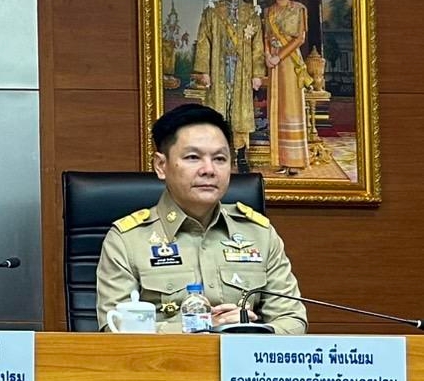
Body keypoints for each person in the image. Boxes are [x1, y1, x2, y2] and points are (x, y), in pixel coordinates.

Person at [96, 102, 307, 333]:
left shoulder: (259, 234)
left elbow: (292, 320)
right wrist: (203, 327)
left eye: (220, 159)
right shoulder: (127, 240)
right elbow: (115, 329)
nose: (209, 169)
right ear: (161, 166)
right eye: (193, 157)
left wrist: (250, 331)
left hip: (243, 356)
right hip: (165, 358)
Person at [191, 0, 265, 172]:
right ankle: (217, 155)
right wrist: (204, 71)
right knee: (217, 111)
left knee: (240, 111)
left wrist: (257, 74)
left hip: (242, 70)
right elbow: (204, 41)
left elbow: (258, 46)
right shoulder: (212, 11)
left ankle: (241, 155)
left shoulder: (251, 13)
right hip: (218, 69)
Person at [264, 0, 311, 175]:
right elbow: (266, 37)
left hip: (290, 62)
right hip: (274, 65)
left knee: (291, 107)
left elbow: (300, 38)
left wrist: (279, 57)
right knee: (277, 108)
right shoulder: (268, 12)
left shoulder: (298, 9)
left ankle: (295, 161)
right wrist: (268, 55)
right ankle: (281, 159)